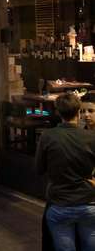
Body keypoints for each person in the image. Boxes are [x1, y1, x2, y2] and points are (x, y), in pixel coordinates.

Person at [35, 93, 95, 251]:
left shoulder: (48, 136)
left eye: (91, 111)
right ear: (78, 112)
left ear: (58, 112)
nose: (87, 115)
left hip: (60, 202)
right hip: (88, 202)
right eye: (84, 111)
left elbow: (39, 169)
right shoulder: (90, 137)